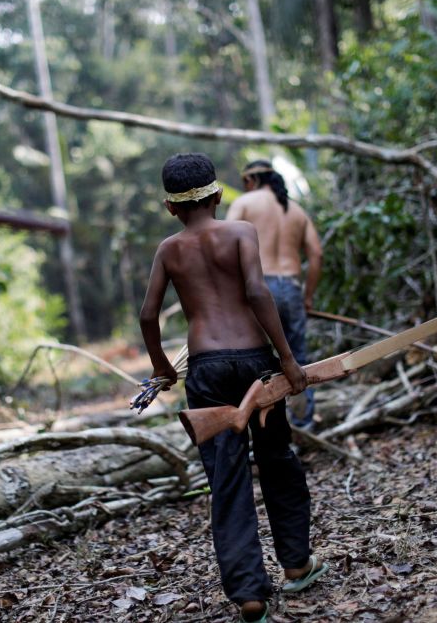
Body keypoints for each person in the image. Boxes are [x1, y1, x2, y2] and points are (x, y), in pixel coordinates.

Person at [139, 153, 328, 623]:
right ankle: (296, 563)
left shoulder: (169, 249)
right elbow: (257, 292)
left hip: (205, 368)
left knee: (227, 477)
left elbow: (147, 316)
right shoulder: (241, 233)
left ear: (171, 208)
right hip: (255, 363)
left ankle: (248, 594)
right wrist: (288, 359)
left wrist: (163, 367)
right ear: (220, 195)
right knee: (277, 459)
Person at [225, 161, 323, 429]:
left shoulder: (245, 203)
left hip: (258, 290)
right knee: (298, 361)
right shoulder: (297, 210)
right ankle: (303, 427)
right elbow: (316, 255)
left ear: (251, 181)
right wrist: (308, 296)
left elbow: (222, 245)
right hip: (291, 288)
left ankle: (261, 428)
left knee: (255, 362)